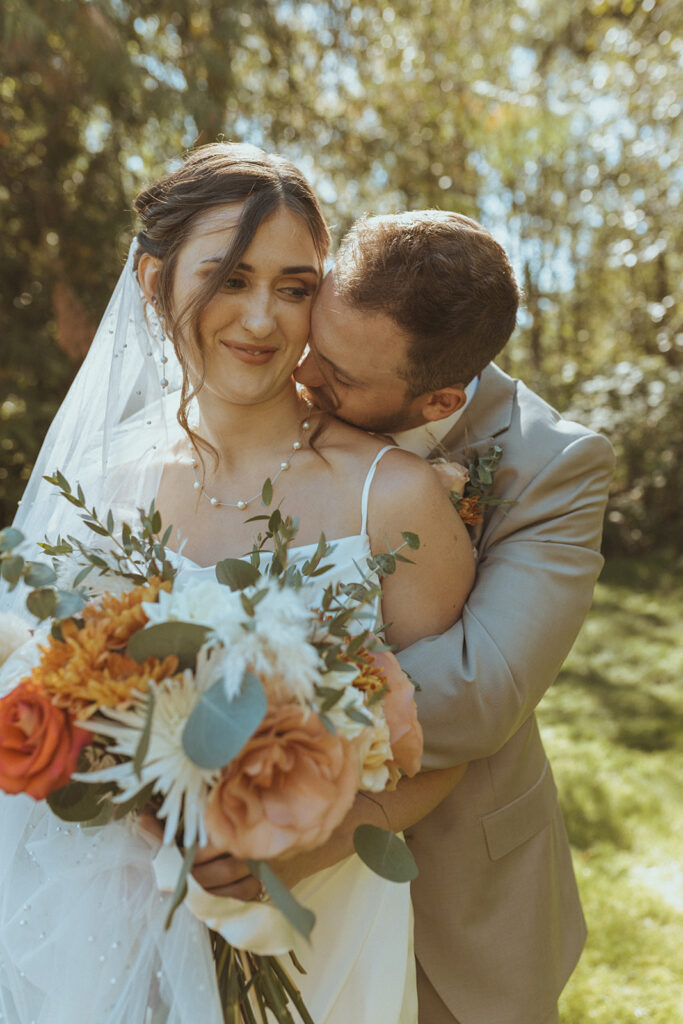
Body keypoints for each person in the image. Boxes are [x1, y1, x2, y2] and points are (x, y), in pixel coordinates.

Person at [0, 146, 474, 1024]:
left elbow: (448, 745)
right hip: (95, 922)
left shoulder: (392, 497)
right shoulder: (102, 480)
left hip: (317, 919)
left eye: (294, 287)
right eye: (228, 278)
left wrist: (306, 845)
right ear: (153, 283)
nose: (261, 318)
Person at [293, 210, 616, 1024]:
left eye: (336, 374)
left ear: (436, 398)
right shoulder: (274, 384)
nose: (301, 374)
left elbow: (479, 688)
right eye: (313, 340)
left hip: (460, 874)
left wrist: (253, 731)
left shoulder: (556, 464)